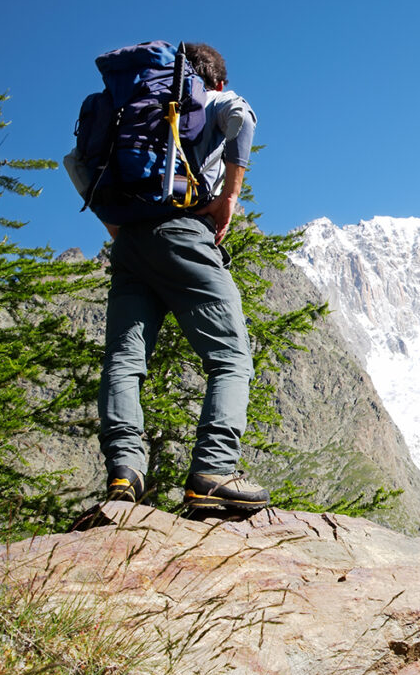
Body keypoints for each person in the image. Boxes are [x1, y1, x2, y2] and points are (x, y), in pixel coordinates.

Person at [67, 42, 269, 511]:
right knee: (231, 357)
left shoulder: (117, 107)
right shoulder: (207, 97)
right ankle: (213, 473)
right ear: (213, 81)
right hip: (183, 234)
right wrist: (229, 200)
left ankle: (124, 473)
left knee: (124, 358)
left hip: (131, 245)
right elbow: (242, 117)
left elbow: (73, 162)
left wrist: (115, 226)